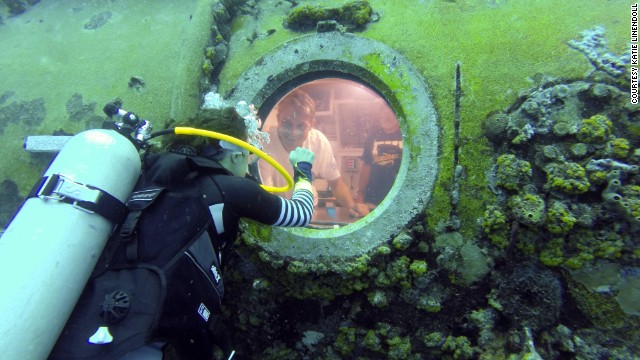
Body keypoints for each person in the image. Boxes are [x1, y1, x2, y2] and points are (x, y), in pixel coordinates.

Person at [50, 107, 315, 360]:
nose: (248, 168)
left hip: (93, 315)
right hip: (149, 326)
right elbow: (301, 213)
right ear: (235, 153)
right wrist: (303, 170)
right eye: (248, 156)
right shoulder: (229, 189)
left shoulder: (149, 175)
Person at [258, 89, 366, 218]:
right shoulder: (264, 144)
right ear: (278, 118)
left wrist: (351, 206)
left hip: (309, 208)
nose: (293, 133)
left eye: (301, 126)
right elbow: (267, 194)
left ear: (311, 125)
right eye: (286, 124)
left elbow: (336, 183)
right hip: (278, 209)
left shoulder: (318, 141)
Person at [356, 101, 402, 211]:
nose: (386, 116)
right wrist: (360, 194)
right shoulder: (373, 135)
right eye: (382, 112)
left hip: (398, 200)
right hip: (373, 200)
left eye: (390, 113)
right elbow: (366, 165)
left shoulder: (406, 135)